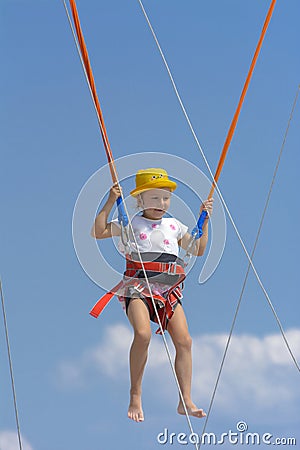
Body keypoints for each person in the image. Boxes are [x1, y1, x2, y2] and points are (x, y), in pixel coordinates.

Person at [91, 168, 213, 422]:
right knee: (143, 334)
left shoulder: (174, 226)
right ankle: (135, 394)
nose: (161, 204)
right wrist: (111, 200)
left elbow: (197, 249)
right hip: (138, 288)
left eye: (165, 198)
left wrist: (205, 221)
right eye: (154, 198)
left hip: (167, 290)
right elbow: (98, 232)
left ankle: (185, 400)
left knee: (185, 341)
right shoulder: (131, 223)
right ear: (140, 200)